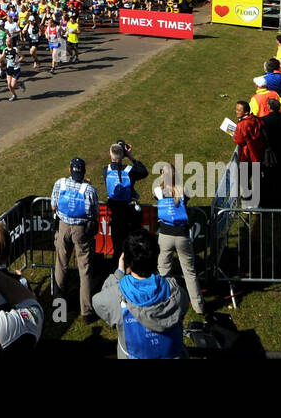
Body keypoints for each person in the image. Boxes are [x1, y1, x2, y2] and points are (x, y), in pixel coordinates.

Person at [92, 229, 186, 360]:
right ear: (156, 257)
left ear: (126, 260)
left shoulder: (116, 295)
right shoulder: (176, 293)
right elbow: (184, 305)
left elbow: (98, 301)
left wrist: (119, 273)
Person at [152, 164, 205, 317]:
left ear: (163, 176)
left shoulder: (158, 191)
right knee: (189, 272)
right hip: (182, 235)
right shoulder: (184, 191)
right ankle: (198, 306)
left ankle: (163, 303)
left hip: (166, 236)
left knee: (163, 271)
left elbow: (158, 192)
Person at [51, 157, 99, 324]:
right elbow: (94, 213)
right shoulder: (90, 190)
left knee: (61, 264)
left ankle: (58, 306)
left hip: (63, 226)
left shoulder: (60, 183)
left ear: (70, 170)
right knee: (84, 269)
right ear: (84, 172)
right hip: (81, 230)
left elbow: (53, 205)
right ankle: (86, 311)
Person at [103, 142, 146, 260]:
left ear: (110, 155)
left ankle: (118, 273)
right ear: (123, 156)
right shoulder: (130, 170)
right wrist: (130, 156)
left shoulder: (106, 170)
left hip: (115, 215)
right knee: (131, 247)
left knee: (117, 248)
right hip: (129, 214)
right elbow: (143, 171)